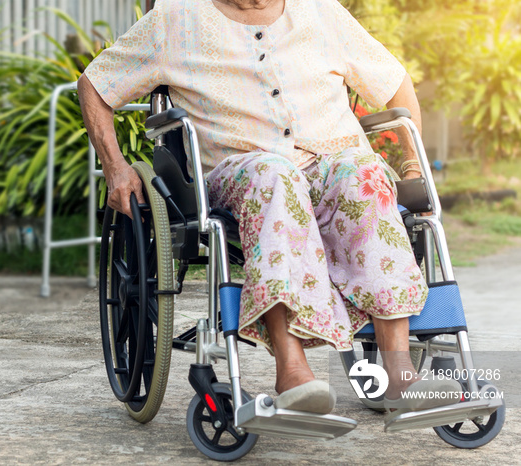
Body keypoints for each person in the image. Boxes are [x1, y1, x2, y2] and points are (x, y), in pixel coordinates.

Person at [78, 0, 459, 416]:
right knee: (276, 177)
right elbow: (95, 85)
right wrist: (115, 169)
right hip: (244, 168)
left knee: (363, 174)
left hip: (332, 161)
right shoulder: (175, 19)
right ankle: (292, 368)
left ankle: (398, 374)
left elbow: (393, 81)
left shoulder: (320, 11)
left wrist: (409, 162)